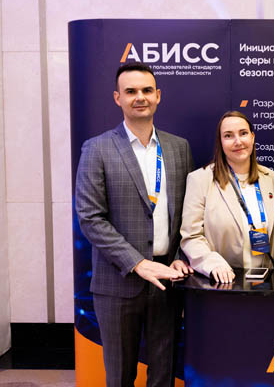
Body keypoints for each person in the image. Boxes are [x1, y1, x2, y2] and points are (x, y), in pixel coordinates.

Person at [75, 62, 195, 386]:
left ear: (158, 96)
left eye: (146, 90)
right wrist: (138, 263)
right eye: (131, 91)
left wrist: (180, 257)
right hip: (118, 283)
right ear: (118, 98)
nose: (139, 97)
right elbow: (90, 217)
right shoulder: (97, 148)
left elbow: (187, 213)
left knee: (163, 374)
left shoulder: (179, 147)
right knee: (120, 376)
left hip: (168, 281)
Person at [180, 111, 274, 283]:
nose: (238, 141)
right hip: (223, 283)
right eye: (228, 136)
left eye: (243, 133)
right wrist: (213, 265)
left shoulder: (271, 179)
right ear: (220, 142)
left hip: (266, 285)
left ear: (252, 137)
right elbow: (191, 237)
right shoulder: (200, 179)